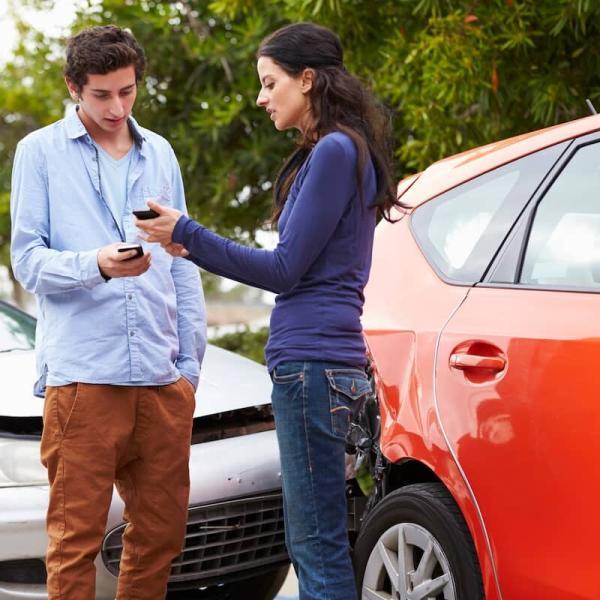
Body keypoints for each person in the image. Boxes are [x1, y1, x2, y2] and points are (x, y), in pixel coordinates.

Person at [136, 22, 397, 599]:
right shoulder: (343, 151)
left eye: (269, 82)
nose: (261, 96)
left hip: (311, 366)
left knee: (315, 546)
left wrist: (190, 233)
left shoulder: (334, 151)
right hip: (328, 365)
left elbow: (284, 270)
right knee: (322, 540)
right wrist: (187, 241)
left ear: (307, 80)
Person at [10, 25, 206, 599]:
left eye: (127, 91)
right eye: (101, 95)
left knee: (161, 537)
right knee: (76, 542)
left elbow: (182, 258)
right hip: (83, 379)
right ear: (74, 87)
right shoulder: (39, 151)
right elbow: (27, 261)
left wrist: (188, 370)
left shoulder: (161, 152)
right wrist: (96, 263)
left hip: (161, 378)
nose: (117, 107)